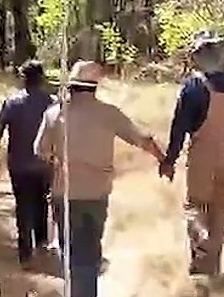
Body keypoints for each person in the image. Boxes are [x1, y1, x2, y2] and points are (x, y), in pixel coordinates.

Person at [34, 60, 165, 297]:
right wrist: (164, 159)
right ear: (94, 87)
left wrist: (58, 158)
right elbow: (142, 139)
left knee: (71, 253)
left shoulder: (54, 114)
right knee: (90, 250)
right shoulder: (109, 114)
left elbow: (39, 150)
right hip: (97, 194)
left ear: (71, 87)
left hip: (65, 194)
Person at [158, 29, 224, 277]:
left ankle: (200, 258)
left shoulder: (194, 87)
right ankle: (212, 271)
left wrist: (169, 161)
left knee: (194, 209)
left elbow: (179, 129)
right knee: (219, 214)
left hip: (201, 160)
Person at [0, 60, 58, 269]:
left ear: (23, 79)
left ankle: (25, 252)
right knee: (41, 203)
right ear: (42, 78)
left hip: (19, 165)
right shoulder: (53, 103)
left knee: (22, 206)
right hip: (44, 165)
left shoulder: (11, 103)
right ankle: (41, 244)